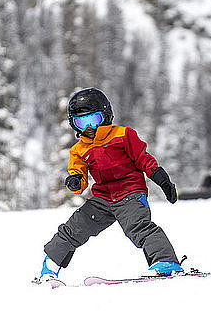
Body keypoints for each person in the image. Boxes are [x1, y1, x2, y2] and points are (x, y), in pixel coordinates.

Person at [36, 88, 183, 283]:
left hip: (130, 194)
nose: (88, 127)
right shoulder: (79, 150)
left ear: (105, 116)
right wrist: (74, 181)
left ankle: (166, 263)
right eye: (81, 122)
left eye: (93, 120)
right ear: (74, 124)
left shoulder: (124, 135)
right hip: (103, 199)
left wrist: (161, 179)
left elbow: (143, 159)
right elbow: (79, 176)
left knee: (138, 226)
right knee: (74, 228)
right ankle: (50, 267)